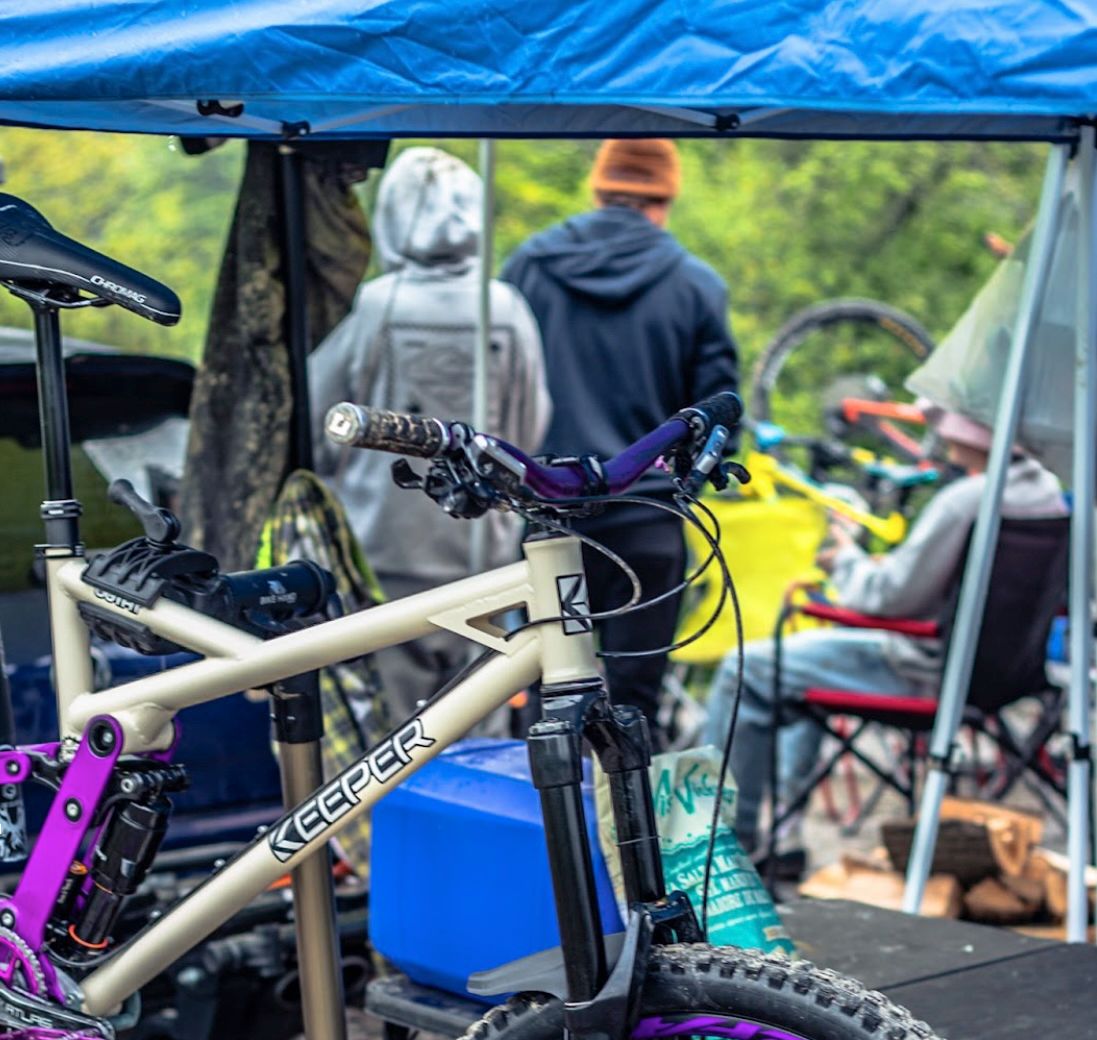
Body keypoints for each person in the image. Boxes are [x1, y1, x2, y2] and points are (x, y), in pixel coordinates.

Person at [703, 410, 1068, 876]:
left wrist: (847, 558)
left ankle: (730, 852)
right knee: (797, 670)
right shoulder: (1051, 494)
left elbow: (889, 598)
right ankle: (786, 833)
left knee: (746, 668)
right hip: (1004, 676)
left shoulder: (968, 500)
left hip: (924, 673)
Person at [502, 138, 739, 738]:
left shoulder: (528, 266)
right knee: (633, 712)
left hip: (548, 521)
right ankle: (625, 833)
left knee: (545, 707)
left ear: (598, 186)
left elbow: (494, 391)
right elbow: (718, 421)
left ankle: (546, 831)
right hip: (647, 526)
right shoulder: (696, 286)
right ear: (665, 197)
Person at [310, 145, 552, 723]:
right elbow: (530, 425)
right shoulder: (506, 308)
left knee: (395, 733)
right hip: (483, 557)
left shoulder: (376, 306)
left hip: (385, 553)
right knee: (479, 721)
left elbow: (323, 418)